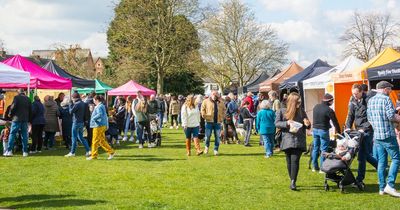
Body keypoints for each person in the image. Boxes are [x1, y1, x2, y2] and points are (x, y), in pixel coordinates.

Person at [367, 81, 400, 197]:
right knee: (396, 158)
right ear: (385, 89)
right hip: (388, 135)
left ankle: (382, 188)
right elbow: (391, 116)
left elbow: (369, 118)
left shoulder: (370, 100)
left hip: (377, 136)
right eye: (390, 89)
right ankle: (390, 185)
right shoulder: (386, 99)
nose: (391, 91)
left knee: (381, 162)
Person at [275, 92, 311, 190]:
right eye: (297, 101)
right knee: (289, 161)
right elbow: (277, 123)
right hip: (287, 139)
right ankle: (292, 179)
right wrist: (287, 123)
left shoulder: (301, 111)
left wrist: (307, 123)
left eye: (299, 101)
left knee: (295, 160)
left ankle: (293, 181)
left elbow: (307, 125)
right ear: (292, 102)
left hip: (299, 139)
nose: (299, 103)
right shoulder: (282, 111)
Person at [345, 83, 377, 187]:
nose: (354, 95)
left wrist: (365, 128)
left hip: (367, 131)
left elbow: (372, 117)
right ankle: (381, 167)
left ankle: (359, 179)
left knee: (362, 155)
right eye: (353, 94)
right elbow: (350, 115)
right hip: (358, 130)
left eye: (356, 94)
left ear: (361, 92)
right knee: (365, 155)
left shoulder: (368, 100)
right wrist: (348, 127)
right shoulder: (353, 101)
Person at [311, 93, 341, 173]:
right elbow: (335, 122)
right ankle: (322, 168)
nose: (333, 102)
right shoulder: (329, 110)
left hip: (315, 129)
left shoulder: (316, 107)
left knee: (315, 148)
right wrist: (339, 132)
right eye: (332, 100)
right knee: (324, 149)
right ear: (329, 101)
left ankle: (315, 167)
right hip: (323, 130)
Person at [4, 89, 31, 157]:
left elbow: (13, 107)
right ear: (24, 92)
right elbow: (31, 110)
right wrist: (29, 119)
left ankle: (9, 150)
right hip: (25, 119)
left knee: (12, 134)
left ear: (18, 92)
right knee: (24, 135)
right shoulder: (28, 99)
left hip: (16, 119)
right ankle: (25, 151)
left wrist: (10, 114)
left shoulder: (16, 97)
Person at [87, 95, 115, 160]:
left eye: (94, 100)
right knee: (101, 141)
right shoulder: (101, 106)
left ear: (96, 100)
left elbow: (100, 114)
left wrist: (93, 118)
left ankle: (94, 155)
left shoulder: (99, 106)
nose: (93, 101)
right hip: (100, 125)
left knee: (95, 140)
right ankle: (111, 152)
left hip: (98, 125)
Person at [65, 92, 91, 157]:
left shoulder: (77, 104)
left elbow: (70, 111)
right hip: (81, 122)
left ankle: (72, 152)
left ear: (74, 98)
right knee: (81, 137)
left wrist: (70, 104)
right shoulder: (82, 103)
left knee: (74, 137)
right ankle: (88, 150)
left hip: (76, 122)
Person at [201, 90, 226, 155]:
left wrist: (222, 117)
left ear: (217, 95)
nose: (214, 96)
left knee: (217, 137)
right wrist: (204, 115)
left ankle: (216, 150)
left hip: (218, 122)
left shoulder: (221, 102)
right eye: (213, 94)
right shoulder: (205, 101)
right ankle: (206, 147)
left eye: (216, 95)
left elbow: (224, 110)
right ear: (211, 95)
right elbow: (202, 109)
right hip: (209, 121)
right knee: (207, 136)